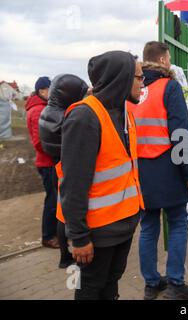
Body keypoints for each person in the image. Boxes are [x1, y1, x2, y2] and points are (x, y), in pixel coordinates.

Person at [58, 51, 145, 300]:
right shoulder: (84, 117)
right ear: (121, 78)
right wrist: (78, 236)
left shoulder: (125, 115)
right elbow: (73, 185)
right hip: (95, 233)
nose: (142, 83)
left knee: (110, 284)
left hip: (123, 225)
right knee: (88, 288)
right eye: (138, 77)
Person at [130, 41, 188, 300]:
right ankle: (175, 283)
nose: (169, 62)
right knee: (178, 223)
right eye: (168, 58)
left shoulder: (134, 90)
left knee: (148, 227)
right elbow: (181, 134)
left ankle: (151, 283)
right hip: (168, 169)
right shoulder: (168, 87)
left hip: (140, 171)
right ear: (161, 60)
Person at [39, 74, 89, 268]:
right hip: (64, 167)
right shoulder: (64, 116)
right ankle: (66, 256)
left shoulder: (48, 111)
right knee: (65, 212)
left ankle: (64, 255)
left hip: (55, 165)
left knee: (61, 211)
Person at [25, 76, 59, 249]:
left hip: (48, 162)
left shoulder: (41, 107)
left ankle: (55, 233)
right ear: (42, 91)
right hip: (47, 163)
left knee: (55, 198)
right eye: (50, 88)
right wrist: (56, 153)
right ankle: (48, 236)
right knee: (52, 200)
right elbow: (40, 142)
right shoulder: (39, 110)